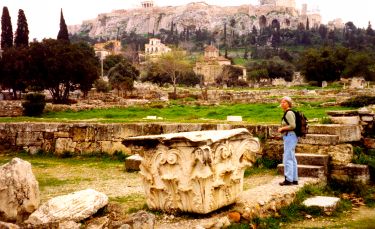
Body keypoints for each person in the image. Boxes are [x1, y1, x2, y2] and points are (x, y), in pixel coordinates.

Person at [277, 96, 298, 186]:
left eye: (284, 102)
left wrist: (282, 128)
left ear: (288, 103)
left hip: (290, 136)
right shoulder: (289, 112)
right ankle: (294, 179)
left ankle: (288, 179)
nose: (282, 104)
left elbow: (293, 126)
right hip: (291, 136)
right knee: (292, 158)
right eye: (281, 102)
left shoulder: (289, 113)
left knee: (288, 158)